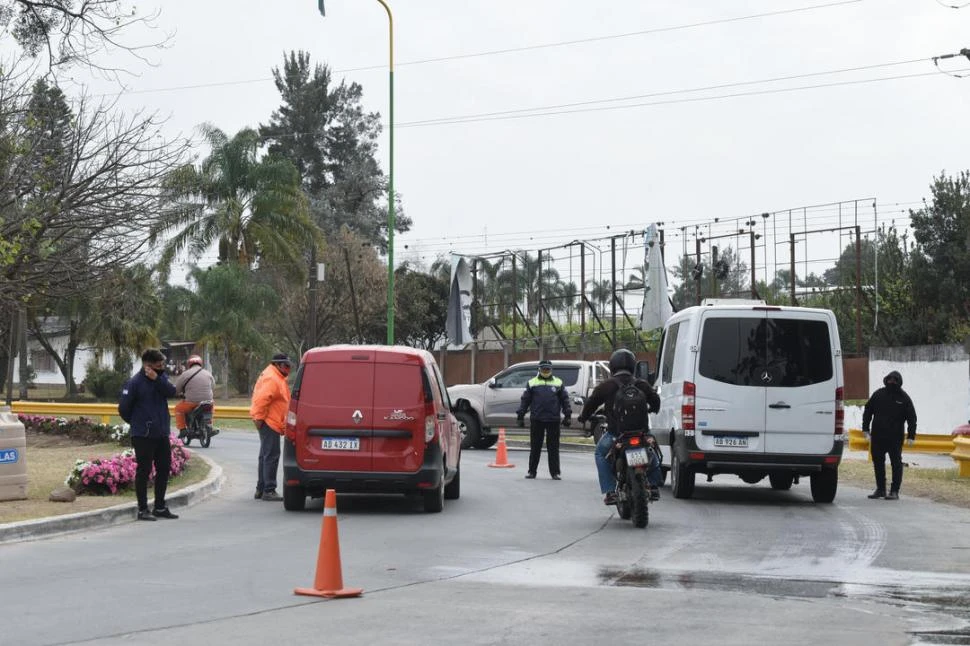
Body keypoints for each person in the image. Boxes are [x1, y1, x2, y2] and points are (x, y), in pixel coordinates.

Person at [578, 348, 662, 505]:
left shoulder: (606, 386)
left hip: (617, 435)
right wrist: (652, 409)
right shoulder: (641, 384)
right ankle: (654, 485)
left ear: (612, 366)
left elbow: (591, 404)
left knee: (600, 454)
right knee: (652, 452)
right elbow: (655, 401)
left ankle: (610, 491)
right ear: (632, 366)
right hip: (641, 433)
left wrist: (584, 417)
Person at [118, 348, 179, 521]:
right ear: (148, 365)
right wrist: (138, 423)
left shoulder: (160, 378)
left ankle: (160, 506)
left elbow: (171, 392)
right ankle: (142, 509)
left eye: (162, 364)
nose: (162, 367)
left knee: (164, 468)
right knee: (144, 472)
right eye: (159, 365)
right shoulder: (135, 382)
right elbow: (123, 408)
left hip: (161, 433)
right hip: (143, 435)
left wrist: (157, 379)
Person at [862, 370, 917, 501]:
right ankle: (880, 489)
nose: (892, 381)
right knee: (878, 463)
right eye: (889, 379)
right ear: (886, 380)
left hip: (895, 438)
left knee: (896, 463)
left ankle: (894, 491)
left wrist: (911, 436)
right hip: (878, 436)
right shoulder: (878, 394)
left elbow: (912, 418)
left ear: (899, 382)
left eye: (895, 380)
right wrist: (865, 430)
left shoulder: (904, 398)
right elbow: (868, 411)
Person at [516, 359, 571, 480]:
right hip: (537, 419)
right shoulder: (532, 383)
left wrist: (568, 415)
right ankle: (532, 472)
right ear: (539, 370)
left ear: (551, 370)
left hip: (553, 420)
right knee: (535, 447)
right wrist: (520, 416)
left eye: (548, 369)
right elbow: (525, 400)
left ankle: (555, 473)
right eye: (543, 369)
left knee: (553, 448)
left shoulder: (558, 382)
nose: (545, 371)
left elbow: (565, 400)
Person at [250, 353, 293, 501]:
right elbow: (261, 400)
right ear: (277, 364)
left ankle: (261, 489)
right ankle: (269, 489)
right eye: (286, 366)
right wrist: (259, 419)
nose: (288, 369)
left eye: (289, 366)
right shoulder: (273, 378)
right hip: (269, 422)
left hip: (269, 421)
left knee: (265, 456)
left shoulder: (275, 376)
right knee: (271, 456)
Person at [174, 354, 215, 438]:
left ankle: (182, 429)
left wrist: (179, 393)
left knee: (178, 409)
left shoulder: (185, 374)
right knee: (210, 409)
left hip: (191, 402)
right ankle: (210, 425)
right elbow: (213, 386)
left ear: (189, 364)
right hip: (208, 401)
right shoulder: (208, 373)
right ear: (200, 363)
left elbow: (177, 388)